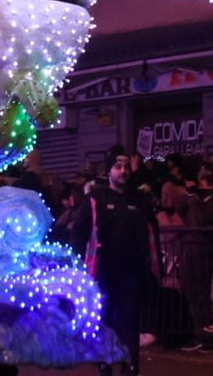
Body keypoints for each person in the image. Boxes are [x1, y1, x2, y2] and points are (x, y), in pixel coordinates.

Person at [72, 153, 159, 375]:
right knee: (105, 326)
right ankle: (105, 369)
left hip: (132, 275)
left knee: (129, 328)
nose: (123, 171)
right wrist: (80, 267)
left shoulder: (140, 200)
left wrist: (153, 269)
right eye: (118, 167)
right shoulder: (96, 198)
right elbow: (79, 233)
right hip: (103, 274)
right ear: (109, 171)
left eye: (126, 167)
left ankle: (130, 370)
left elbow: (153, 235)